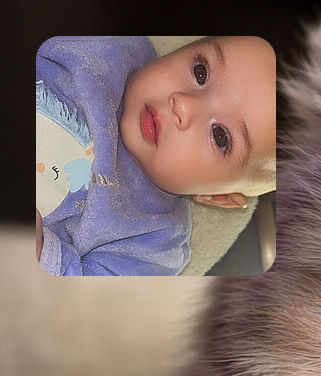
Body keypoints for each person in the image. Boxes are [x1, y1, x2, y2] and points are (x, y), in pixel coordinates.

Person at [36, 35, 276, 276]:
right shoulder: (111, 46)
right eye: (200, 72)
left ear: (216, 196)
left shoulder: (155, 241)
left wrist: (41, 254)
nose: (184, 105)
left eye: (220, 136)